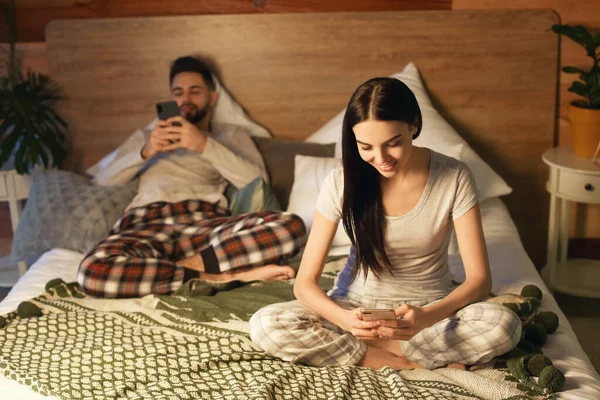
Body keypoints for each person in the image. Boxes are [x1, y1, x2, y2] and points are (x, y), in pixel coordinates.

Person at [249, 77, 522, 370]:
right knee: (265, 324)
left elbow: (480, 280)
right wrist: (345, 321)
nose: (381, 159)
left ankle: (372, 352)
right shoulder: (342, 181)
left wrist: (427, 317)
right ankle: (404, 362)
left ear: (413, 126)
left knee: (504, 325)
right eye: (366, 147)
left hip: (427, 313)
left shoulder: (454, 176)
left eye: (393, 144)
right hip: (355, 309)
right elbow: (304, 284)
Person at [78, 56, 306, 298]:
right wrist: (146, 151)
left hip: (204, 225)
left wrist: (204, 145)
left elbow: (257, 181)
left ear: (213, 97)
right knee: (93, 271)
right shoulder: (146, 136)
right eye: (178, 92)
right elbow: (102, 182)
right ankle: (222, 277)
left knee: (291, 227)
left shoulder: (230, 136)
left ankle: (168, 273)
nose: (185, 99)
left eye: (194, 91)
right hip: (145, 224)